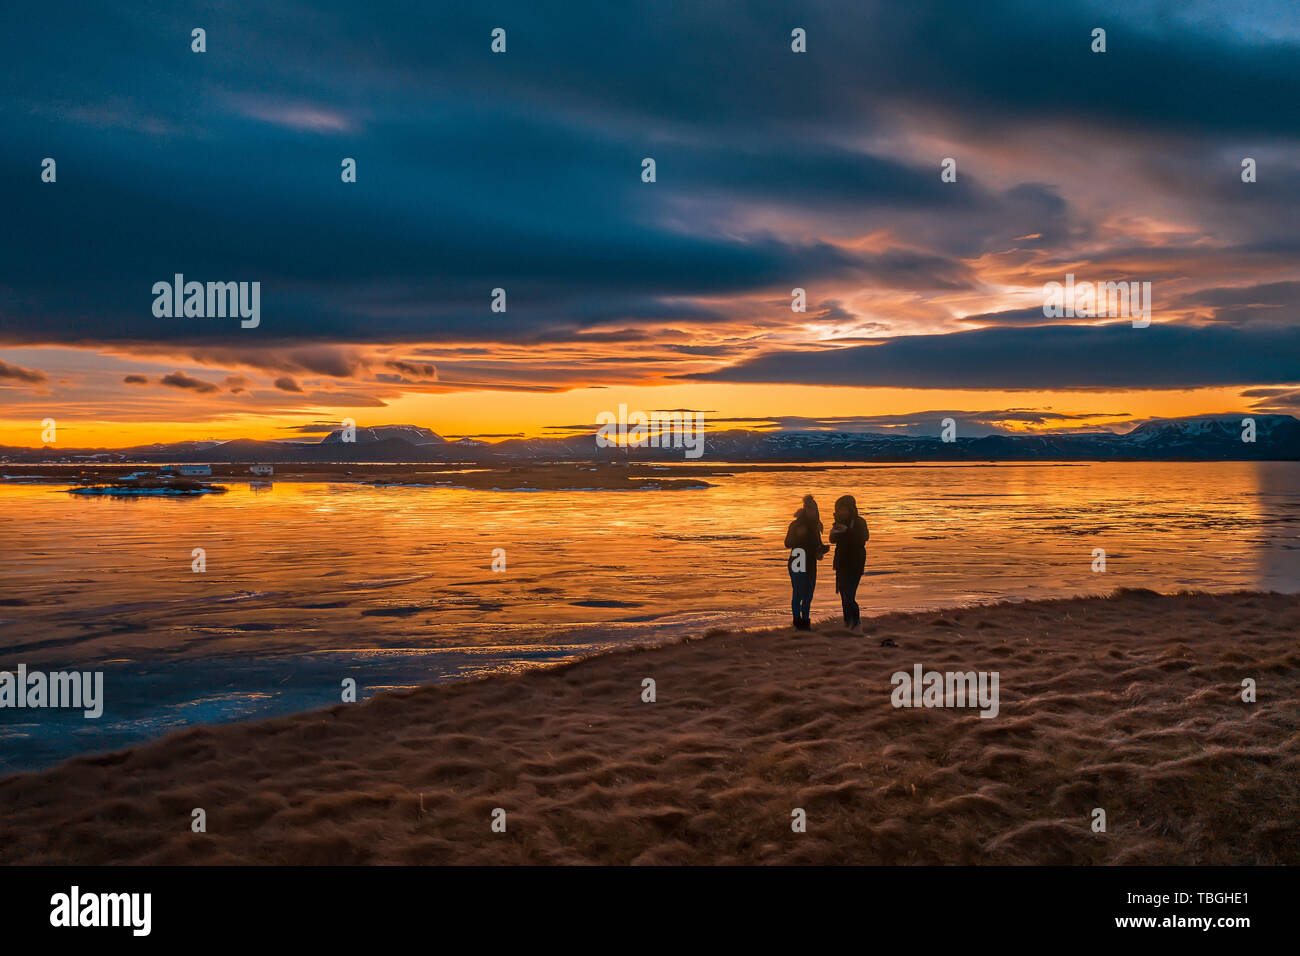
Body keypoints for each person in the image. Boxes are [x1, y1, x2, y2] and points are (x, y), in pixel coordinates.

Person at [784, 494, 829, 630]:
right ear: (805, 509)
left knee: (808, 594)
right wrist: (801, 538)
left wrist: (821, 550)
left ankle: (805, 622)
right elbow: (788, 543)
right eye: (809, 508)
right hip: (798, 559)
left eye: (813, 508)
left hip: (810, 562)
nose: (811, 511)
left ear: (816, 510)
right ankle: (798, 623)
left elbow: (816, 545)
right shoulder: (797, 524)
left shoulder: (816, 525)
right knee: (798, 593)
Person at [829, 494, 869, 629]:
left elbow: (863, 538)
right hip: (841, 563)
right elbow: (832, 540)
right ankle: (848, 623)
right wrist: (837, 529)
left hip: (856, 563)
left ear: (851, 509)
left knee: (849, 596)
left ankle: (856, 623)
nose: (842, 512)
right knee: (844, 596)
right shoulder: (838, 523)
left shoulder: (859, 522)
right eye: (840, 509)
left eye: (844, 509)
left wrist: (847, 531)